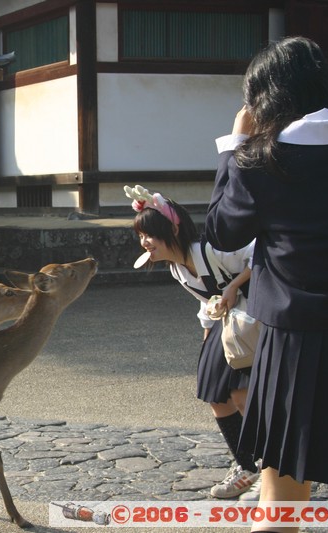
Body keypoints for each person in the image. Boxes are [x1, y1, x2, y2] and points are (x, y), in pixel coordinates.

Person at [205, 36, 328, 530]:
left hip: (295, 346)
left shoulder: (265, 160)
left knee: (282, 497)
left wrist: (234, 145)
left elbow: (223, 233)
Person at [125, 185, 260, 499]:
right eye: (140, 236)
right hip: (226, 325)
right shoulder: (177, 269)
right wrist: (207, 341)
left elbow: (260, 252)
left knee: (241, 394)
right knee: (215, 394)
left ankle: (269, 469)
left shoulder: (213, 249)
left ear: (172, 229)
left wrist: (235, 285)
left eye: (149, 235)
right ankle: (246, 465)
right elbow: (205, 303)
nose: (144, 243)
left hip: (256, 319)